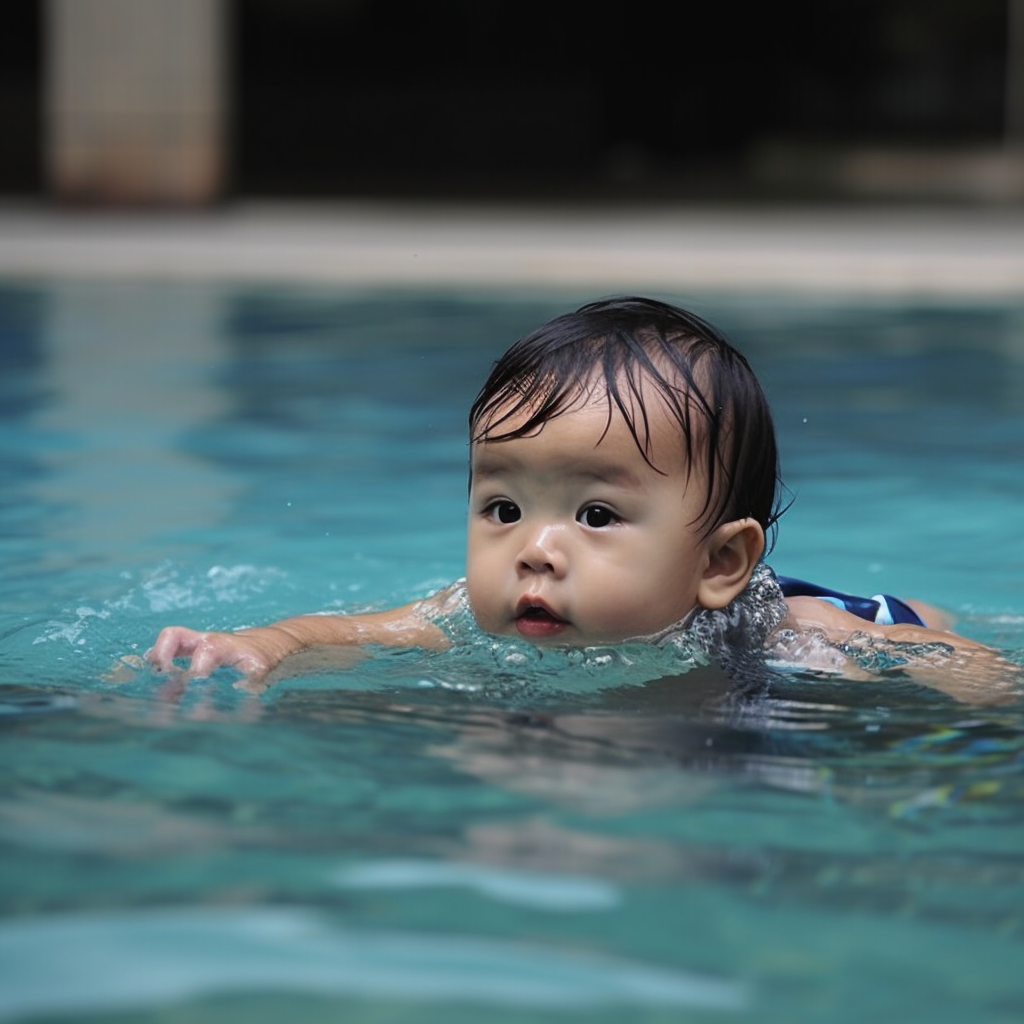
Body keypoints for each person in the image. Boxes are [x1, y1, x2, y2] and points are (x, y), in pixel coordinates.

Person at [147, 297, 1015, 702]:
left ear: (719, 561)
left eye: (595, 516)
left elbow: (957, 665)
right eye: (503, 508)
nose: (534, 548)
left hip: (858, 613)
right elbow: (344, 631)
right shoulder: (460, 614)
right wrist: (258, 644)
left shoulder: (790, 636)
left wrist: (974, 686)